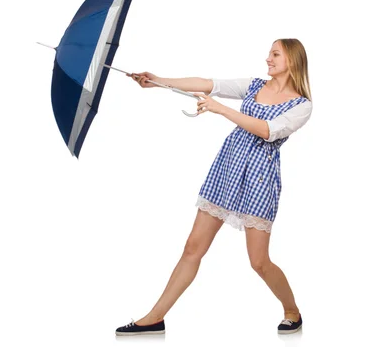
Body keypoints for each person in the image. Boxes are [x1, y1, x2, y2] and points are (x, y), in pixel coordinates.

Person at [115, 38, 313, 336]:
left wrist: (221, 110)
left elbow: (268, 131)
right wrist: (158, 81)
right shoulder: (254, 85)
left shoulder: (302, 106)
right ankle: (155, 317)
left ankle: (292, 310)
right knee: (193, 247)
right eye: (269, 53)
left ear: (293, 60)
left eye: (274, 54)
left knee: (259, 262)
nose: (267, 59)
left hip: (259, 179)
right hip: (227, 169)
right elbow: (209, 84)